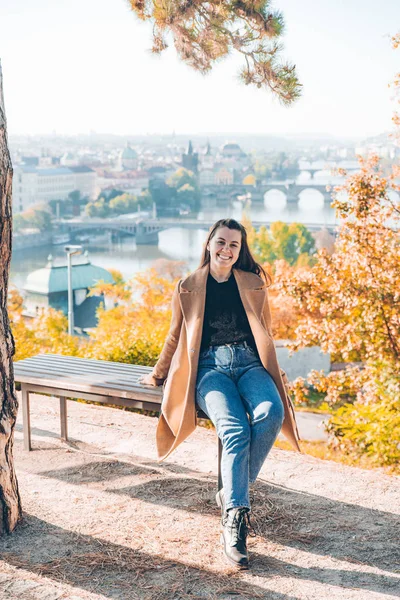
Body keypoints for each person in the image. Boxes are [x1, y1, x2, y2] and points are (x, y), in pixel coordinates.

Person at [140, 218, 301, 569]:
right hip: (210, 370)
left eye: (234, 245)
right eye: (222, 242)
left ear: (240, 251)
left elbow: (266, 333)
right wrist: (157, 374)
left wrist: (276, 371)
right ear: (209, 243)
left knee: (272, 412)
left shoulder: (253, 283)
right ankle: (235, 520)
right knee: (234, 429)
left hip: (249, 364)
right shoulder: (188, 286)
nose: (227, 250)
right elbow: (174, 335)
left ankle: (230, 491)